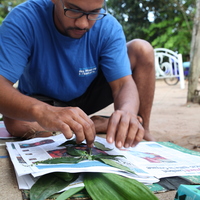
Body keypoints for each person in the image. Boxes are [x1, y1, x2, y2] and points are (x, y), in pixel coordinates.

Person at [0, 0, 155, 149]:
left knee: (142, 49)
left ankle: (141, 129)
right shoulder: (24, 19)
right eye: (73, 10)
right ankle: (90, 124)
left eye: (94, 12)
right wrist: (41, 111)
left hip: (88, 92)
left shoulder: (109, 26)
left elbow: (123, 84)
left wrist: (127, 113)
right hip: (44, 99)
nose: (83, 24)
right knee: (18, 124)